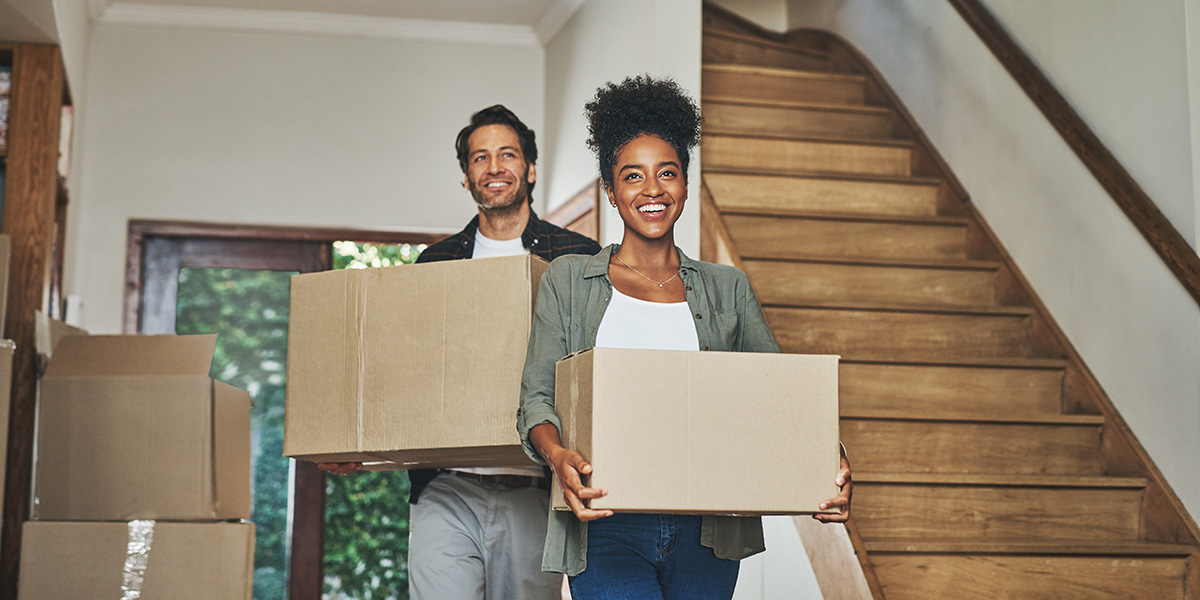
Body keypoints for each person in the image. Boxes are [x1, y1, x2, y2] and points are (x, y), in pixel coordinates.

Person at [516, 76, 853, 600]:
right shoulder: (568, 281)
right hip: (606, 521)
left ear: (686, 184)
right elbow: (537, 397)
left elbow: (779, 396)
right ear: (610, 189)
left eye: (667, 173)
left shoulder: (728, 288)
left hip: (709, 530)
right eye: (633, 176)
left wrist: (827, 458)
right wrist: (557, 456)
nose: (652, 190)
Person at [320, 104, 601, 600]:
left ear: (530, 168)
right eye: (480, 158)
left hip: (535, 487)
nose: (494, 168)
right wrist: (355, 447)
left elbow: (596, 371)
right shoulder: (435, 262)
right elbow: (403, 373)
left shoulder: (577, 257)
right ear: (466, 177)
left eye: (507, 155)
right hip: (447, 488)